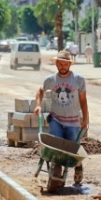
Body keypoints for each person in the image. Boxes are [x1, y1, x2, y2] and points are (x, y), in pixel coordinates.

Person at [33, 51, 89, 186]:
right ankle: (56, 173)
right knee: (56, 150)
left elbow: (83, 100)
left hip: (73, 121)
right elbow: (40, 90)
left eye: (65, 64)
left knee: (72, 150)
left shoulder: (78, 80)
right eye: (60, 64)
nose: (63, 66)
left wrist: (85, 118)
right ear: (56, 64)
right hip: (56, 119)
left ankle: (78, 166)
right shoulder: (51, 79)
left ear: (70, 64)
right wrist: (38, 106)